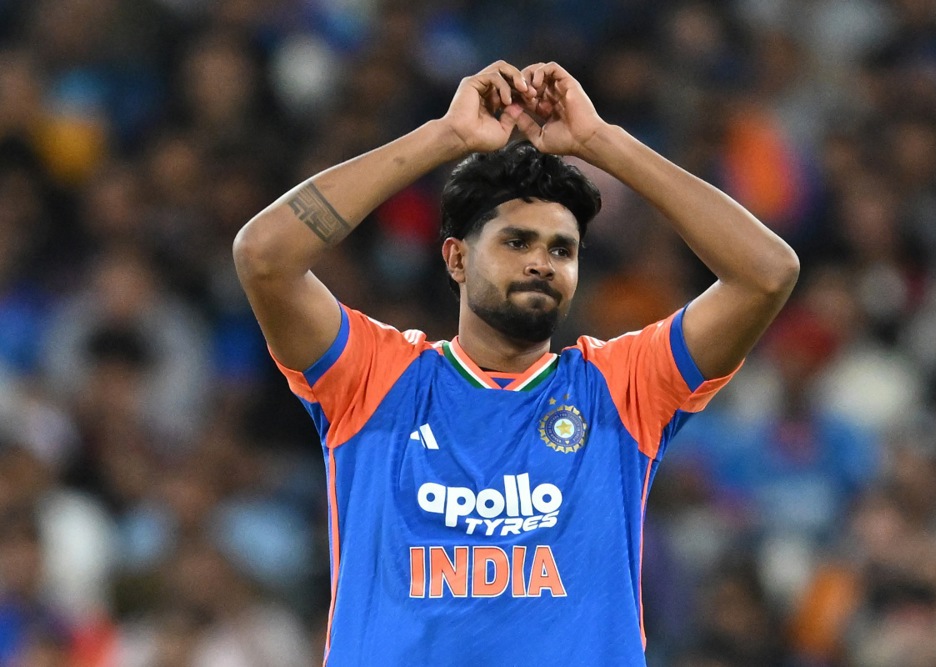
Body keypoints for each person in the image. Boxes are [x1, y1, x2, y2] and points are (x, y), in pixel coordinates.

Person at [233, 60, 799, 666]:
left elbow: (768, 274)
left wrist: (600, 142)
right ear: (455, 259)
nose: (542, 263)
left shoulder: (621, 387)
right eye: (516, 242)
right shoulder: (375, 377)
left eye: (563, 249)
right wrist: (444, 138)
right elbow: (264, 256)